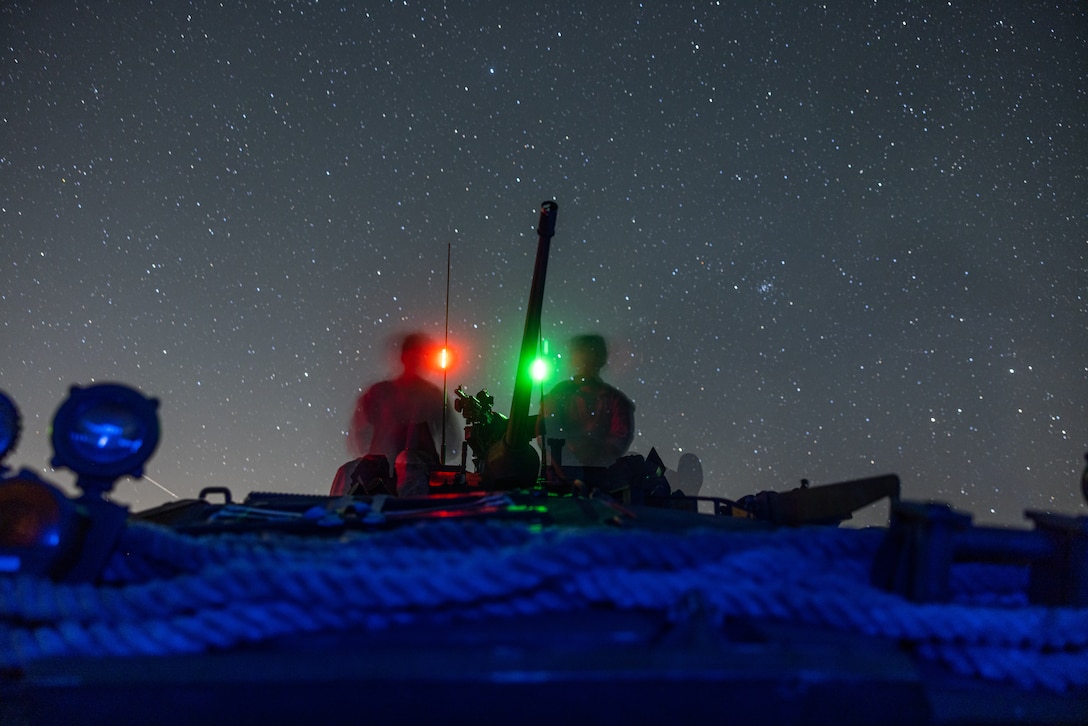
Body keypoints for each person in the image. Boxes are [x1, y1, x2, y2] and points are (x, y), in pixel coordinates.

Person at [346, 332, 454, 482]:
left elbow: (450, 440)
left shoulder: (433, 395)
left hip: (417, 477)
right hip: (383, 477)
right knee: (346, 473)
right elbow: (360, 432)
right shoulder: (379, 392)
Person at [537, 333, 635, 472]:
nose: (588, 359)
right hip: (560, 478)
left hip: (599, 478)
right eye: (585, 352)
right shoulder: (560, 394)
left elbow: (619, 437)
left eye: (594, 352)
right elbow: (545, 430)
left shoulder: (614, 399)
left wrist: (594, 452)